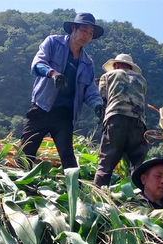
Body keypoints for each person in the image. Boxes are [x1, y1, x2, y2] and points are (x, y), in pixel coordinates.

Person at [20, 13, 104, 169]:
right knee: (26, 153)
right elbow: (38, 63)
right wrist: (52, 73)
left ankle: (75, 191)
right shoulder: (53, 42)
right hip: (42, 108)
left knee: (68, 159)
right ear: (73, 28)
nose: (87, 36)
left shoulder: (87, 63)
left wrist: (98, 105)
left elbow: (90, 90)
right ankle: (20, 186)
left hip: (64, 116)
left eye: (90, 33)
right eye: (84, 30)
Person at [94, 53, 148, 187]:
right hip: (138, 122)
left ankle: (98, 191)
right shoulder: (141, 80)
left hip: (116, 117)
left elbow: (102, 99)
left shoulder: (108, 76)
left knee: (107, 159)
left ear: (116, 65)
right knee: (137, 162)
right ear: (130, 66)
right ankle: (139, 195)